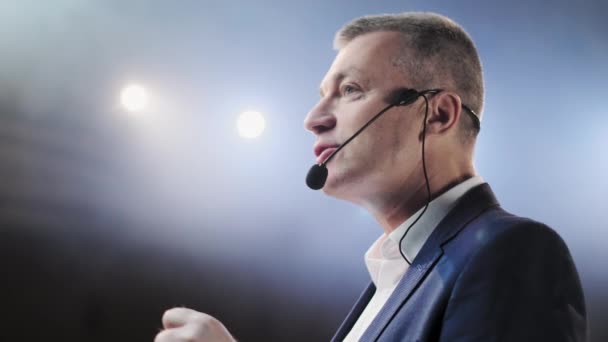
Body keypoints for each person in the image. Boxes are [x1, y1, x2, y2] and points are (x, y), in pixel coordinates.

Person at [154, 12, 587, 342]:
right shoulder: (391, 280)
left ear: (437, 114)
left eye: (350, 90)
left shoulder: (511, 252)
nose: (313, 119)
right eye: (322, 95)